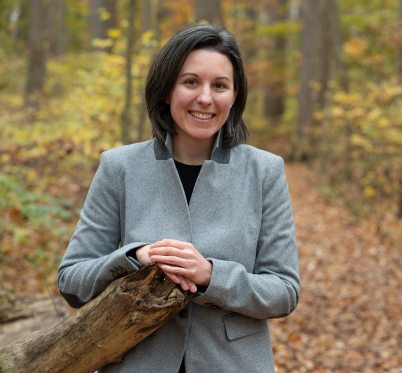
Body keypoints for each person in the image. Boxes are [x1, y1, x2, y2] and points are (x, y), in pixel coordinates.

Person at [57, 24, 300, 373]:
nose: (205, 97)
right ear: (166, 90)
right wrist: (135, 257)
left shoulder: (264, 171)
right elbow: (72, 281)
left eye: (220, 85)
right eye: (190, 82)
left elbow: (284, 291)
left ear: (234, 96)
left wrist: (210, 275)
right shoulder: (119, 167)